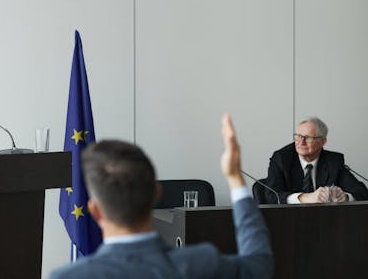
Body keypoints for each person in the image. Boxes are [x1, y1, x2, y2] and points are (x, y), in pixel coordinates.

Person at [49, 114, 273, 279]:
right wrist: (235, 179)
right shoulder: (203, 264)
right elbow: (260, 264)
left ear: (95, 210)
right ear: (156, 194)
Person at [265, 117, 368, 204]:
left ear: (322, 141)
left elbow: (362, 193)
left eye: (307, 138)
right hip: (290, 220)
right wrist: (305, 198)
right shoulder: (281, 159)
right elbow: (271, 196)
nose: (301, 142)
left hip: (326, 221)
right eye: (298, 136)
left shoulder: (333, 162)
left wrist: (345, 197)